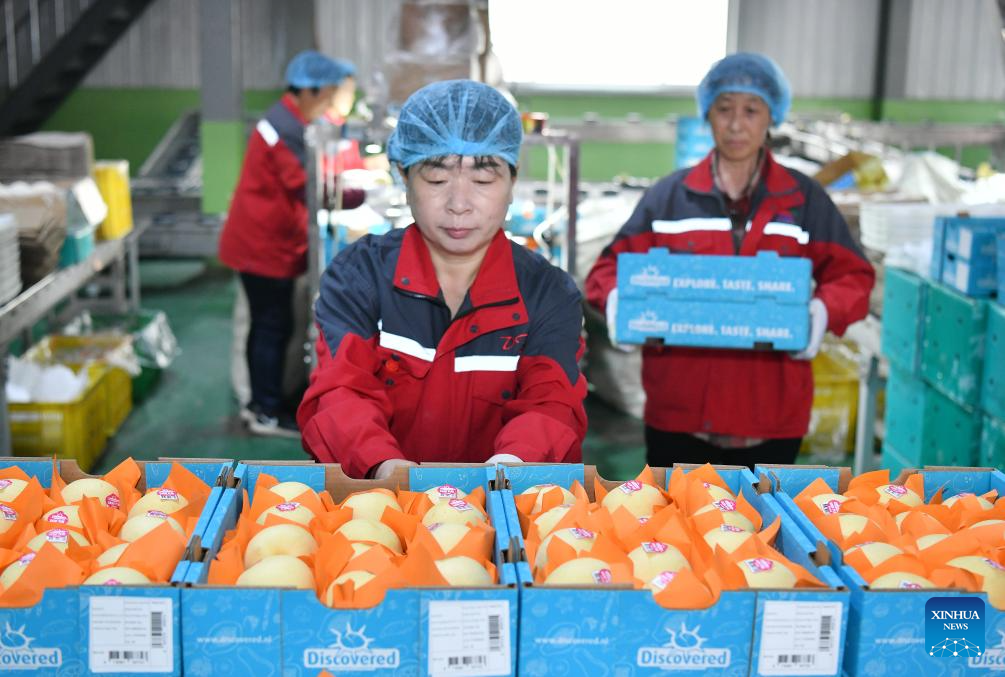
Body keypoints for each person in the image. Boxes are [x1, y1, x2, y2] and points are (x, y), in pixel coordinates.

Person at [585, 52, 875, 470]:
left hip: (771, 417)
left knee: (762, 514)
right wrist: (619, 301)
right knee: (676, 512)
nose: (737, 124)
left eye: (751, 110)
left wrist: (823, 310)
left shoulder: (802, 199)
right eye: (724, 109)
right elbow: (607, 270)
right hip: (680, 415)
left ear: (772, 116)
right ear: (707, 114)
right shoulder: (669, 198)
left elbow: (853, 276)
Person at [297, 80, 588, 479]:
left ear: (512, 181)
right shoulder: (359, 278)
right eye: (436, 179)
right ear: (404, 177)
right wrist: (386, 471)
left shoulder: (547, 293)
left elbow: (551, 403)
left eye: (483, 181)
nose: (459, 204)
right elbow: (339, 392)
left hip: (500, 502)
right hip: (381, 500)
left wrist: (507, 476)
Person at [219, 51, 360, 437]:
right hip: (262, 247)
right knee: (269, 326)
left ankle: (268, 400)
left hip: (270, 242)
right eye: (328, 94)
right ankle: (263, 410)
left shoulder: (290, 119)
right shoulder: (284, 129)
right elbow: (308, 187)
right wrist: (355, 195)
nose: (330, 103)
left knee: (272, 324)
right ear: (309, 89)